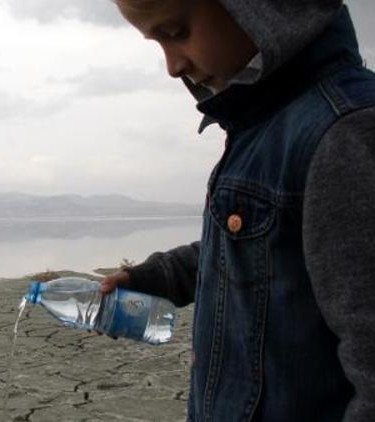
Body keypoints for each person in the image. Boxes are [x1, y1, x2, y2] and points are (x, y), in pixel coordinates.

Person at [100, 0, 375, 421]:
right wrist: (159, 277)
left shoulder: (344, 133)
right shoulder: (262, 126)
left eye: (176, 33)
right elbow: (264, 249)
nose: (172, 67)